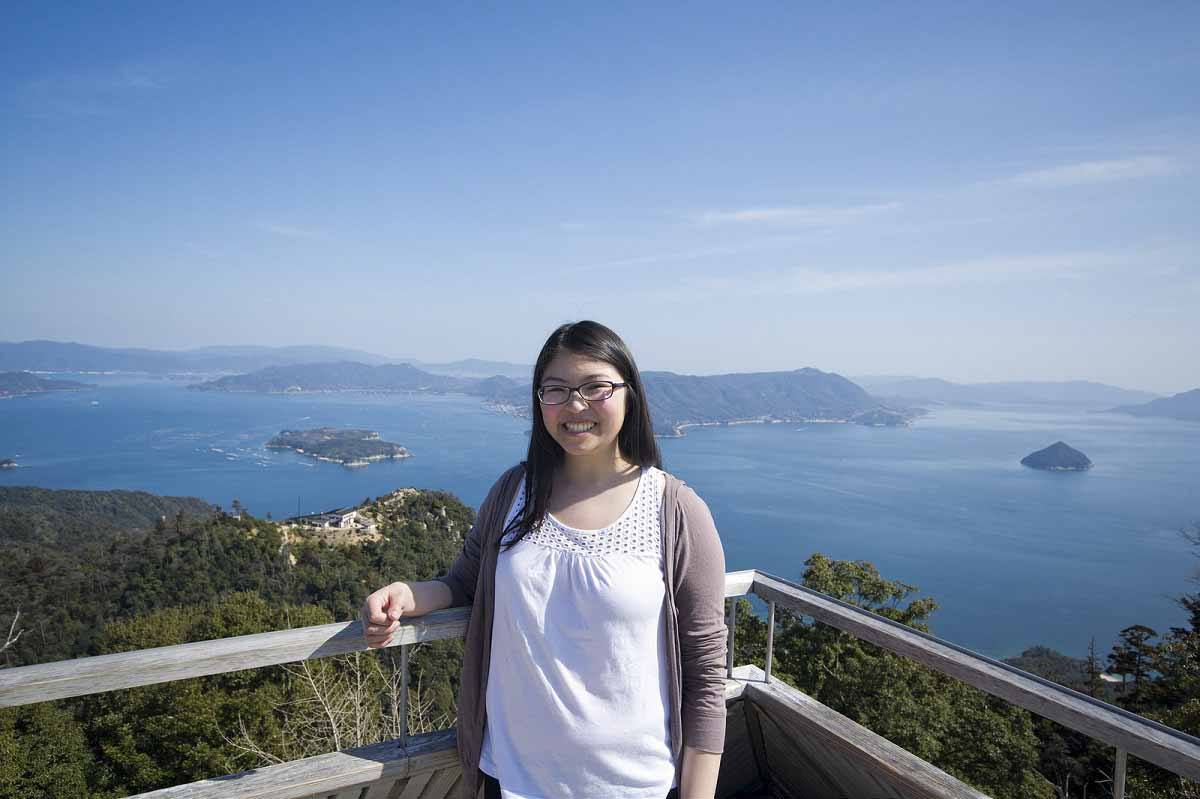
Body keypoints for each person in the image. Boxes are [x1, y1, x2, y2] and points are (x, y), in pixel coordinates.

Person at [361, 320, 728, 799]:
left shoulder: (675, 511)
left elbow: (705, 677)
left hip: (632, 786)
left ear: (629, 394)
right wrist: (406, 595)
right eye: (555, 390)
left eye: (596, 387)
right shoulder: (515, 491)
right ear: (539, 402)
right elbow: (465, 582)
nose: (575, 405)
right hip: (510, 779)